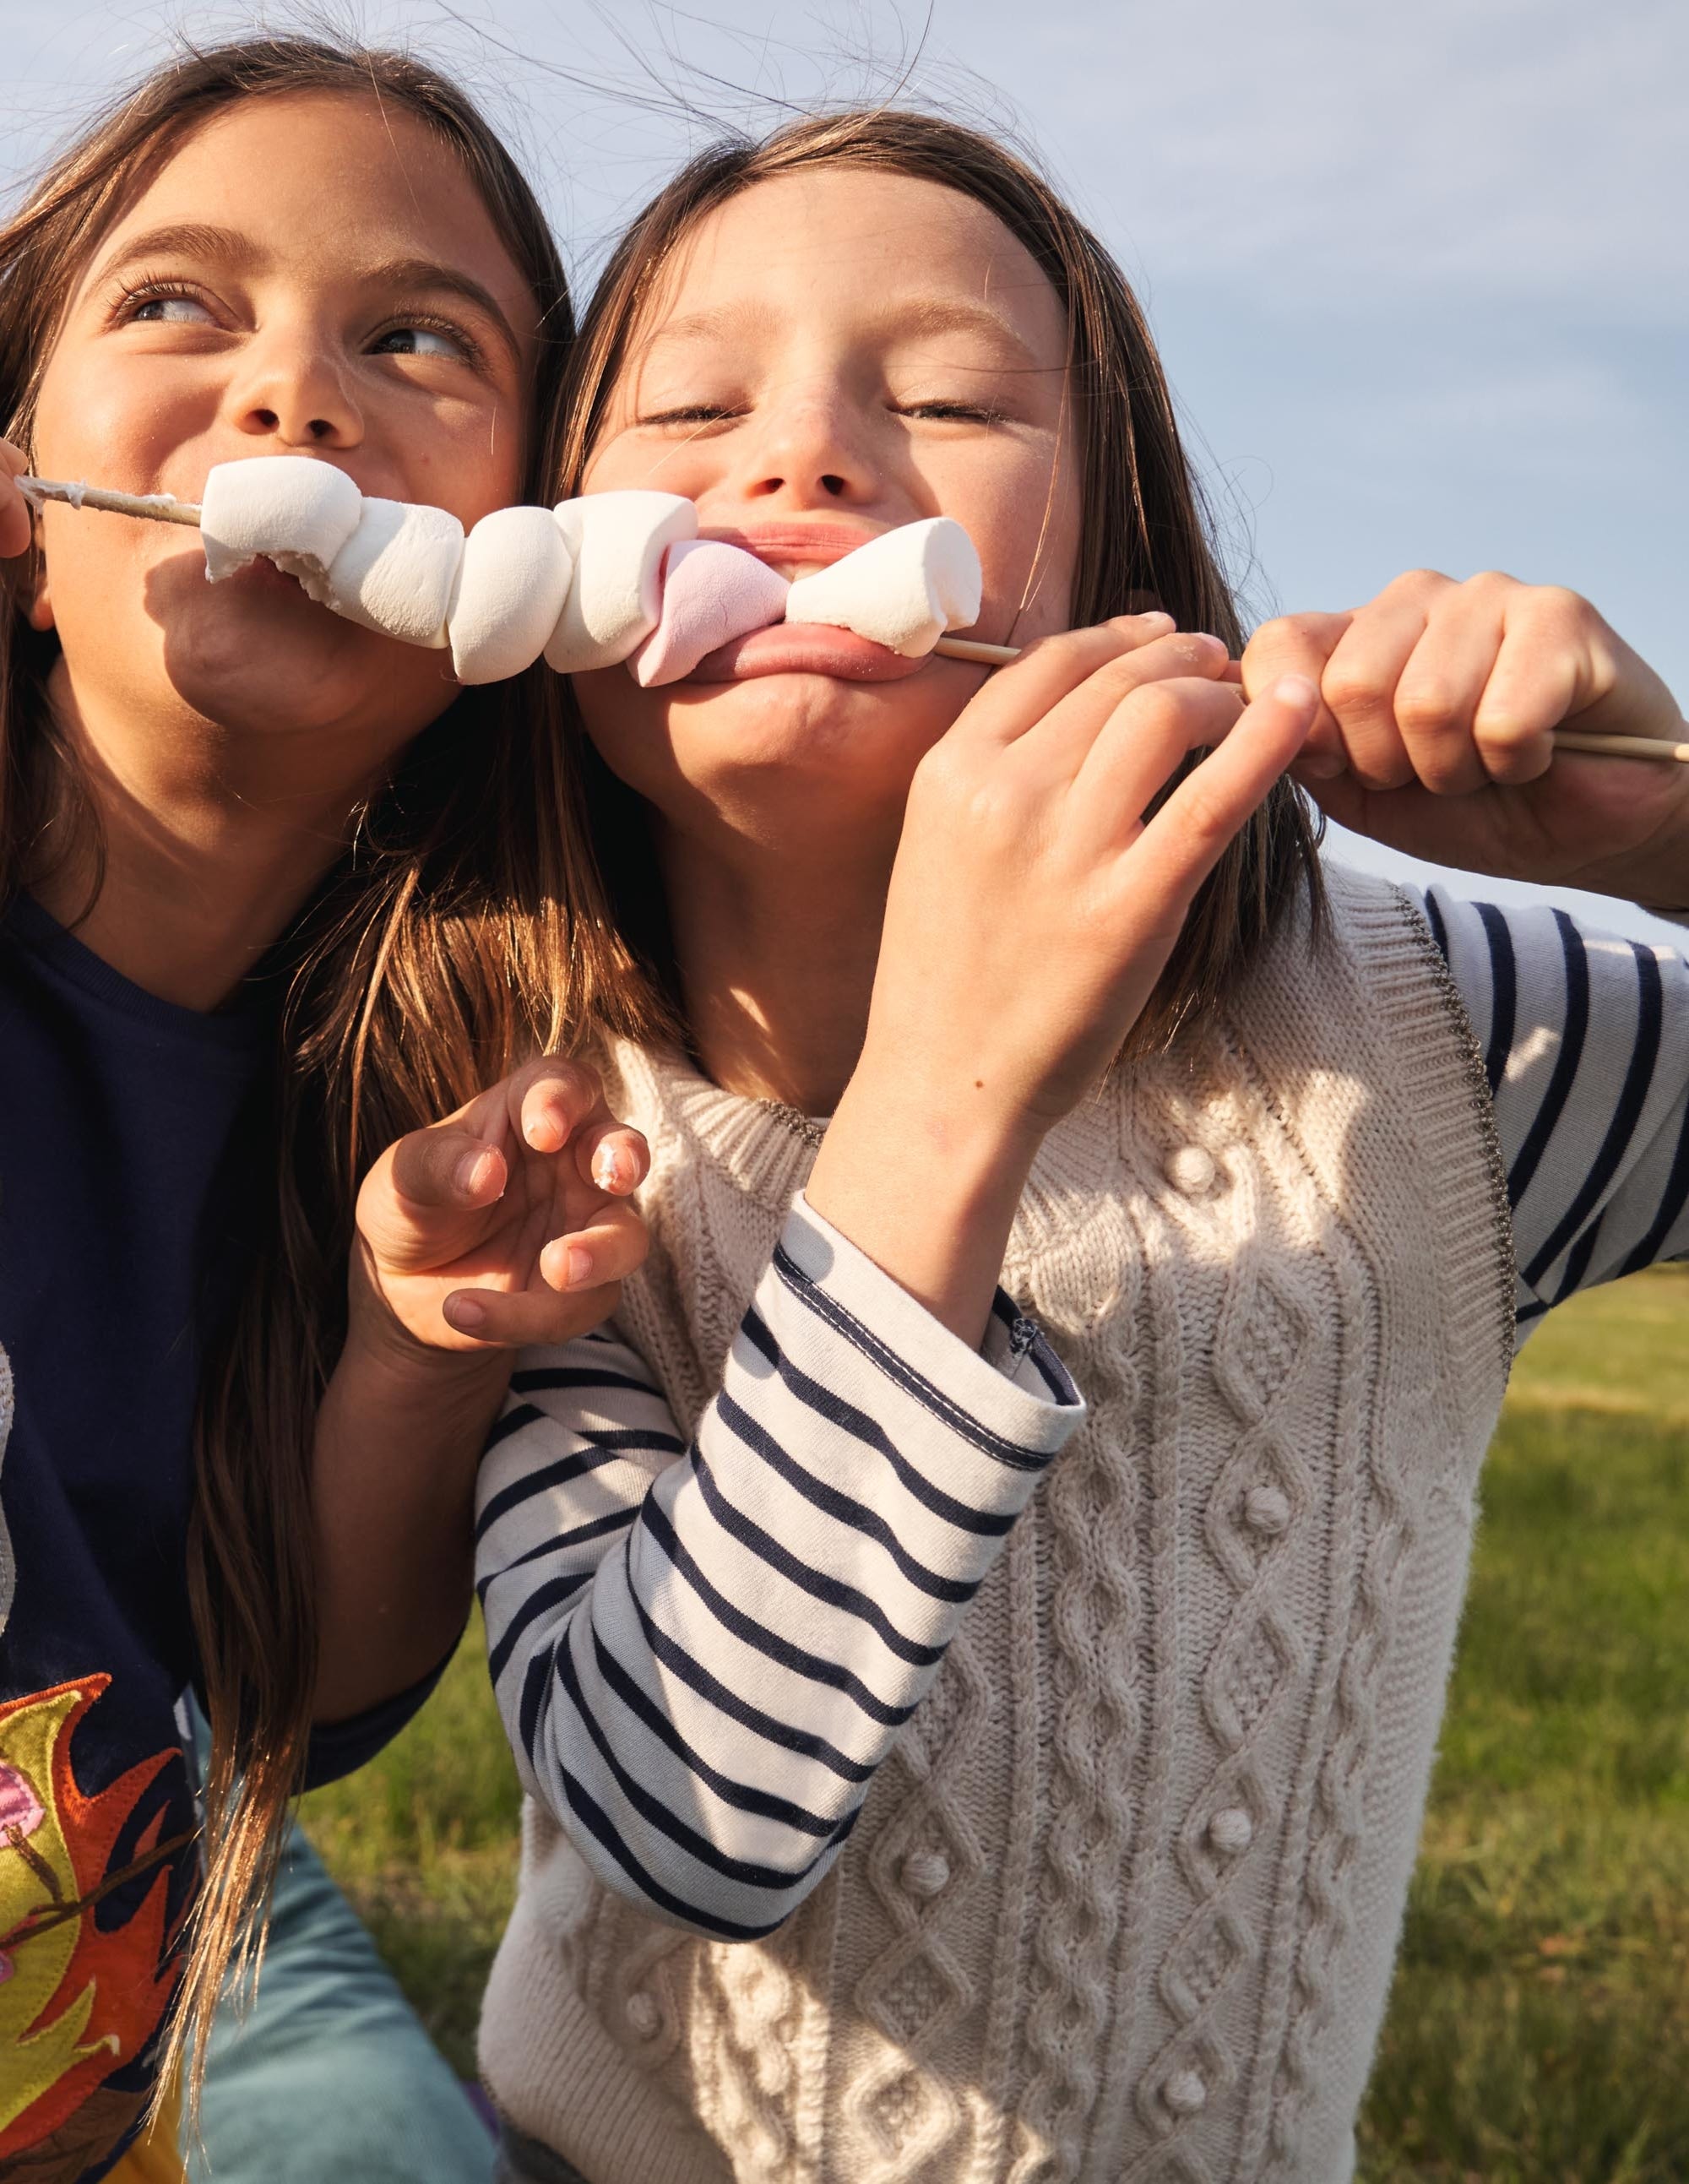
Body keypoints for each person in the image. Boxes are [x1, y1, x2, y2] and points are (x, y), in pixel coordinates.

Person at [341, 111, 1688, 2183]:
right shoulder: (531, 1148)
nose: (800, 465)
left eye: (954, 398)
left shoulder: (1435, 1042)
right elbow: (686, 1808)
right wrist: (949, 1089)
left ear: (1120, 562)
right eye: (694, 403)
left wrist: (1672, 834)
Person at [0, 39, 649, 2182]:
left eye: (412, 340)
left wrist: (413, 1358)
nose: (294, 399)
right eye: (178, 304)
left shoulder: (430, 1091)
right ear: (22, 505)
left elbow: (310, 1688)